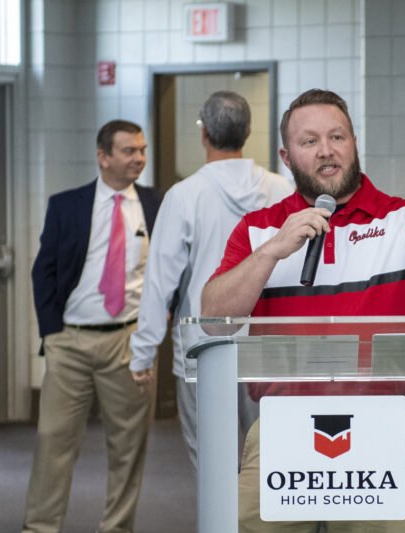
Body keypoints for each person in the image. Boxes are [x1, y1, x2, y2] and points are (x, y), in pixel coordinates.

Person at [202, 49, 405, 532]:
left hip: (379, 427)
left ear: (355, 143)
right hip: (281, 427)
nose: (326, 150)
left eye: (337, 137)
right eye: (309, 140)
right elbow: (214, 317)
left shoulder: (402, 220)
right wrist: (274, 251)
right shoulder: (259, 231)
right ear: (286, 156)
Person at [128, 90, 293, 467]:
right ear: (248, 131)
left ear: (203, 133)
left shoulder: (184, 196)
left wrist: (143, 353)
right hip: (266, 346)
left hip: (204, 347)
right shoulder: (282, 190)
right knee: (268, 461)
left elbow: (159, 283)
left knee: (211, 464)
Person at [23, 120, 161, 533]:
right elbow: (43, 271)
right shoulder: (67, 205)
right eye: (128, 151)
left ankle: (117, 528)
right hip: (71, 342)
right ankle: (40, 527)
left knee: (128, 449)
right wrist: (53, 332)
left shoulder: (157, 204)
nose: (138, 158)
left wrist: (160, 319)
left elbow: (171, 270)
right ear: (103, 157)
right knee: (53, 442)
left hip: (129, 341)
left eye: (142, 150)